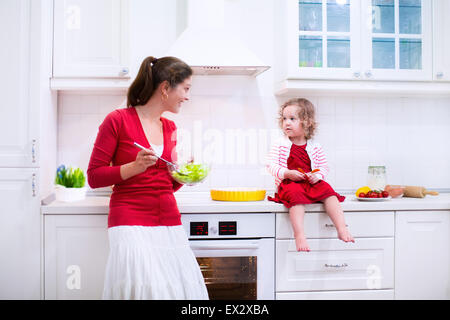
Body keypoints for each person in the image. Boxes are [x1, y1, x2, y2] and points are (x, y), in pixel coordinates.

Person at [87, 56, 209, 300]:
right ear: (165, 88)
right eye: (185, 88)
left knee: (180, 293)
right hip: (130, 220)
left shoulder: (171, 128)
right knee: (146, 292)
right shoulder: (117, 120)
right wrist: (133, 167)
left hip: (168, 221)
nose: (187, 96)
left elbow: (165, 185)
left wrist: (182, 174)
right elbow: (94, 176)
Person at [266, 98, 354, 252]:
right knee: (295, 195)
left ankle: (341, 228)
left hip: (310, 182)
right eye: (284, 119)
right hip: (289, 182)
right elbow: (271, 165)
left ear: (306, 123)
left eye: (292, 119)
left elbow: (323, 167)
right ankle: (299, 234)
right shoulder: (279, 144)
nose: (287, 123)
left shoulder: (314, 145)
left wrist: (317, 176)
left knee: (329, 193)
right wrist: (287, 173)